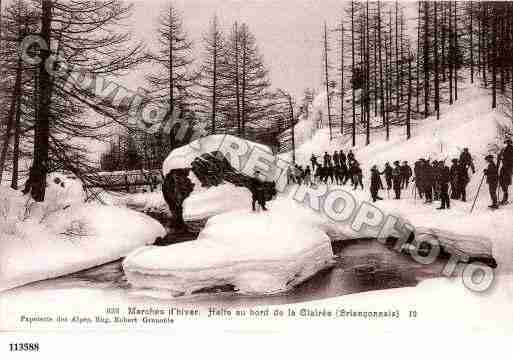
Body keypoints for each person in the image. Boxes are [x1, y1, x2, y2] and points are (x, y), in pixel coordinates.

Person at [498, 139, 513, 204]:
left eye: (509, 142)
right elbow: (500, 156)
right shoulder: (504, 149)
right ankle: (505, 197)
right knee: (501, 180)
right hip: (504, 167)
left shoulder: (512, 149)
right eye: (507, 142)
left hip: (509, 167)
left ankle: (505, 199)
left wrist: (504, 158)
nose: (508, 143)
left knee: (506, 182)